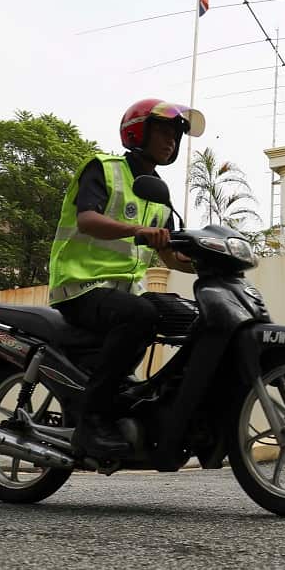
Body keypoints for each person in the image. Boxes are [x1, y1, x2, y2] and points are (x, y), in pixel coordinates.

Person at [48, 99, 203, 457]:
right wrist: (137, 230)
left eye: (176, 136)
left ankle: (147, 402)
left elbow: (169, 255)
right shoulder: (104, 169)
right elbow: (87, 219)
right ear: (139, 132)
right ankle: (92, 419)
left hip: (123, 294)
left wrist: (210, 264)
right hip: (80, 287)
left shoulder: (159, 193)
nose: (171, 141)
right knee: (141, 315)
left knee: (191, 317)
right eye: (164, 131)